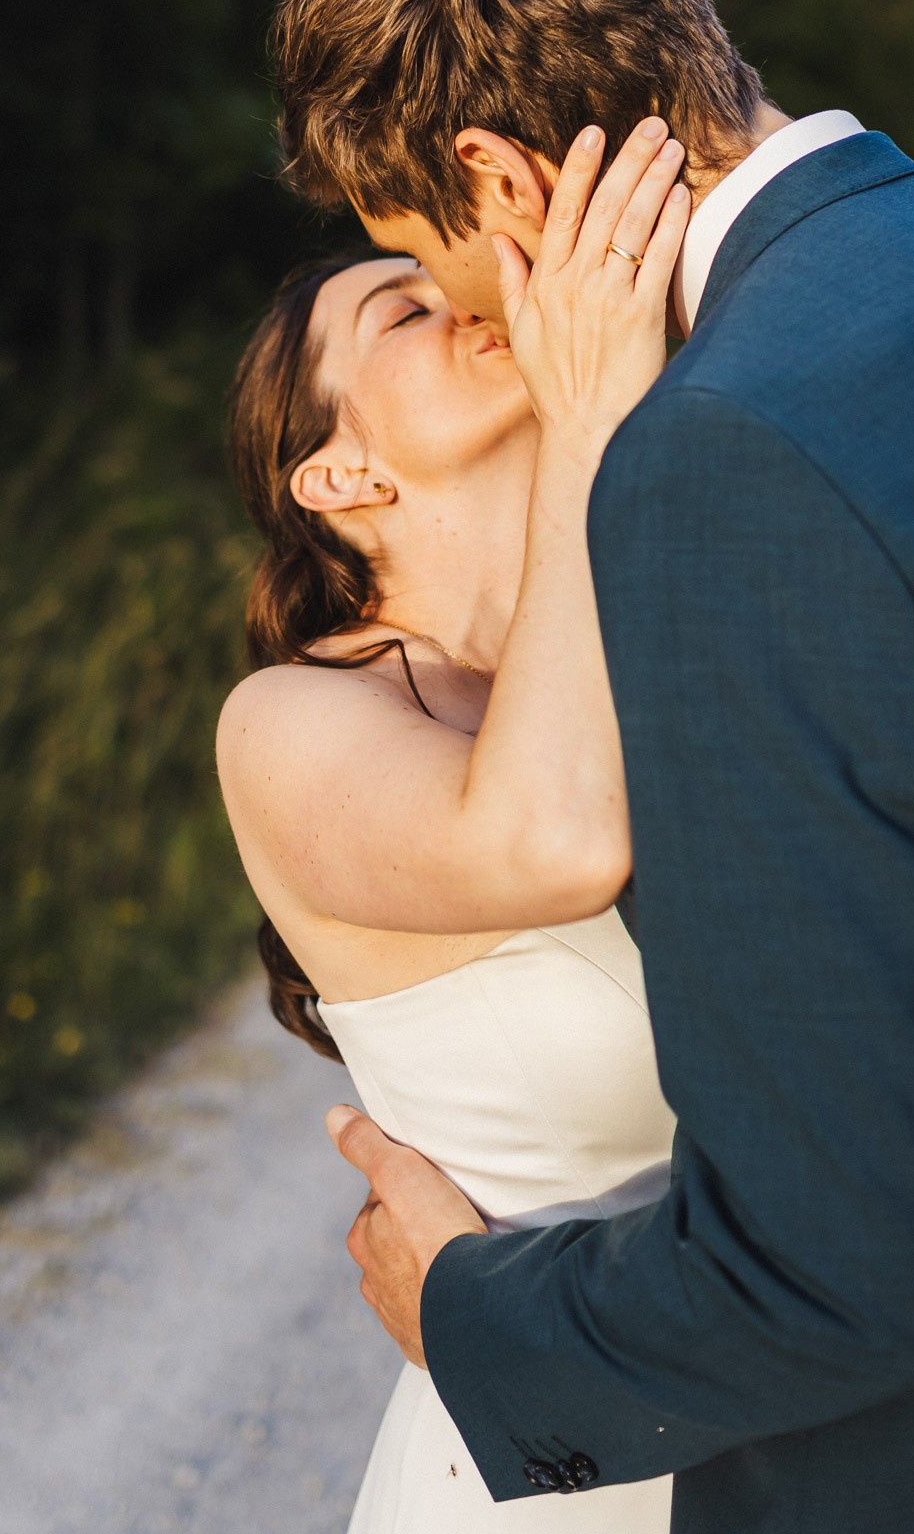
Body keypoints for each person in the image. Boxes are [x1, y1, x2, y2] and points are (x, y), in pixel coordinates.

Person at [271, 0, 914, 1534]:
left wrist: (472, 1321)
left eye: (445, 265)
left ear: (505, 186)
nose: (480, 320)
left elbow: (859, 1262)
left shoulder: (725, 457)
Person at [217, 120, 698, 1528]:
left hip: (787, 1428)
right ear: (340, 476)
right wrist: (598, 410)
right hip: (538, 1476)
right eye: (403, 310)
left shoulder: (663, 628)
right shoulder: (293, 723)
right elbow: (552, 844)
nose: (469, 296)